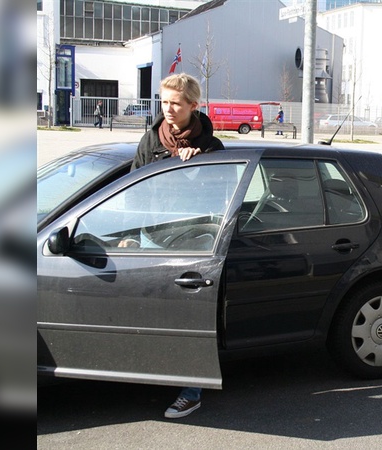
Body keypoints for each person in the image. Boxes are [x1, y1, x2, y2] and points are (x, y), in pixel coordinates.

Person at [124, 73, 224, 418]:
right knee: (153, 316)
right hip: (152, 240)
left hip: (192, 244)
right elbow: (133, 192)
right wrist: (131, 236)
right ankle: (153, 376)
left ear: (193, 106)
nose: (168, 109)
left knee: (188, 319)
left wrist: (196, 167)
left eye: (175, 103)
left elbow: (218, 202)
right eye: (164, 101)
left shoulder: (211, 147)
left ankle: (191, 390)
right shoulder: (151, 139)